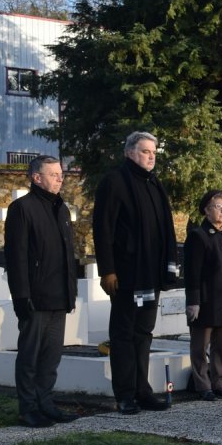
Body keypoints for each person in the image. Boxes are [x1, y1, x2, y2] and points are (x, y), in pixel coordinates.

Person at [93, 131, 177, 415]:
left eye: (154, 152)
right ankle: (125, 394)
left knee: (144, 334)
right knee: (123, 336)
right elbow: (103, 228)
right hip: (127, 276)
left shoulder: (154, 184)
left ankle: (143, 390)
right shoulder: (115, 182)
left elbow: (167, 230)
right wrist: (108, 270)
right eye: (145, 151)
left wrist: (170, 267)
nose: (151, 156)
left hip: (150, 278)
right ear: (129, 152)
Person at [4, 156, 79, 428]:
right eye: (54, 174)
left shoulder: (61, 209)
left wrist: (71, 292)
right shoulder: (21, 209)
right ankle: (29, 408)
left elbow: (67, 255)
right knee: (30, 356)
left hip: (59, 296)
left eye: (61, 174)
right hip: (35, 298)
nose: (61, 178)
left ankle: (46, 403)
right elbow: (17, 257)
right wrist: (21, 297)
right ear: (37, 178)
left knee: (51, 356)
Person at [183, 190, 222, 401]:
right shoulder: (198, 236)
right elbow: (192, 272)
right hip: (206, 300)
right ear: (207, 210)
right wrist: (193, 302)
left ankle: (219, 382)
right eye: (218, 207)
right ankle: (203, 385)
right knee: (200, 346)